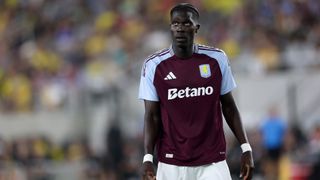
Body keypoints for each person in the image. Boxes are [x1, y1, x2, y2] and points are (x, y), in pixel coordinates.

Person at [138, 3, 254, 180]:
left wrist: (246, 147)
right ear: (170, 27)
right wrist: (147, 158)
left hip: (212, 160)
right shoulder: (154, 65)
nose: (180, 29)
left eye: (186, 24)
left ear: (196, 27)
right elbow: (151, 115)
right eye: (176, 24)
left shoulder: (217, 59)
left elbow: (229, 106)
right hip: (171, 162)